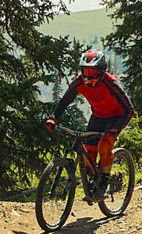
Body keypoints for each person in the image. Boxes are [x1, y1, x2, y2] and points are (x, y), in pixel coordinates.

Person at [43, 50, 132, 203]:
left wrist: (113, 131)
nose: (88, 75)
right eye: (85, 70)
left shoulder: (111, 83)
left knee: (104, 144)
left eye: (92, 71)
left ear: (102, 70)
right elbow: (65, 100)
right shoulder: (79, 82)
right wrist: (53, 118)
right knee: (88, 150)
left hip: (116, 117)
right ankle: (93, 181)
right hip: (98, 116)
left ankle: (103, 184)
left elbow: (129, 110)